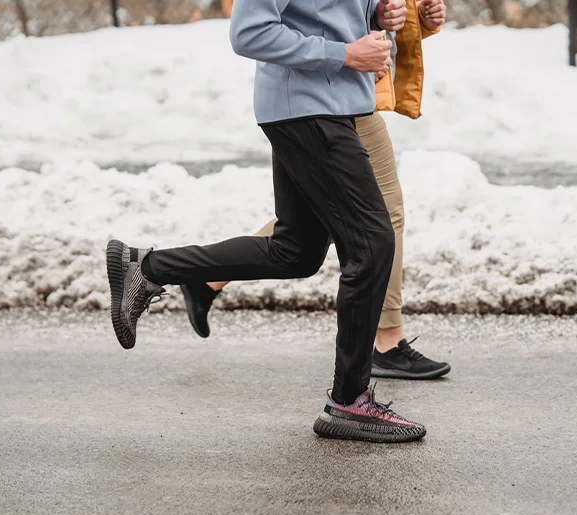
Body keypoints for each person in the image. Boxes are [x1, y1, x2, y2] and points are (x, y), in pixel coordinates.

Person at [106, 0, 427, 443]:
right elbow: (250, 33)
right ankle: (349, 400)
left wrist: (379, 15)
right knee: (373, 244)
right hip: (309, 109)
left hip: (330, 107)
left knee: (294, 252)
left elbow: (331, 13)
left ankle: (148, 267)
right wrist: (345, 54)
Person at [180, 0, 451, 381]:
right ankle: (383, 345)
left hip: (345, 93)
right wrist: (347, 53)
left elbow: (349, 15)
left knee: (319, 223)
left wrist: (402, 17)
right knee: (376, 221)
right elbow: (253, 32)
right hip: (316, 99)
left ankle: (199, 276)